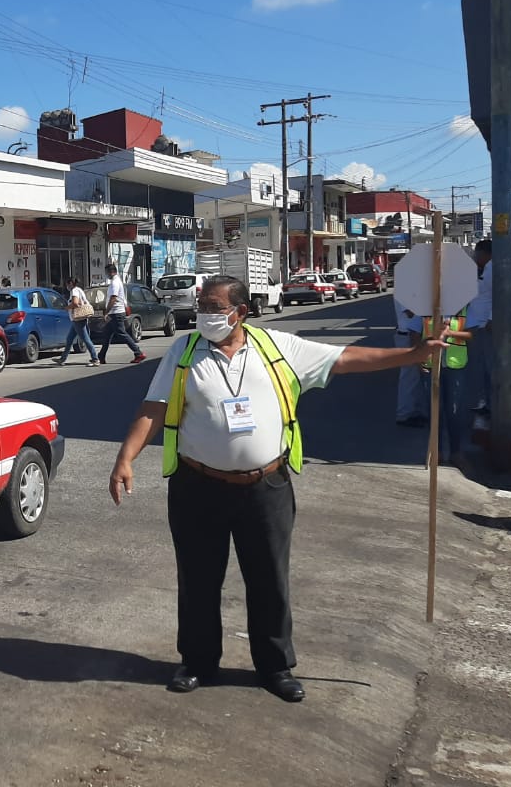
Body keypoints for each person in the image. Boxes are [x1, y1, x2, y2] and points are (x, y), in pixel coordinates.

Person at [107, 275, 449, 703]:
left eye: (214, 307)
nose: (205, 315)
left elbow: (348, 358)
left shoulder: (278, 348)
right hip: (197, 487)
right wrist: (126, 458)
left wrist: (412, 354)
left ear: (241, 312)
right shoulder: (184, 351)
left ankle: (274, 666)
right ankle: (197, 661)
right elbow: (154, 407)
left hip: (265, 487)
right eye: (202, 306)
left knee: (269, 578)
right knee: (198, 578)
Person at [97, 263, 147, 366]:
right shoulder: (116, 282)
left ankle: (138, 353)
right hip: (114, 313)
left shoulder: (115, 283)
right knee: (107, 334)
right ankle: (101, 356)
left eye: (107, 272)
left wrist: (107, 312)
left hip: (115, 313)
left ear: (112, 272)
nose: (106, 275)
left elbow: (113, 298)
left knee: (122, 334)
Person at [465, 239, 493, 415]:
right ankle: (489, 402)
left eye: (476, 253)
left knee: (490, 367)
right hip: (479, 325)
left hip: (486, 326)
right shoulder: (486, 269)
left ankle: (496, 404)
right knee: (483, 367)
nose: (474, 257)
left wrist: (492, 319)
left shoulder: (493, 270)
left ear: (484, 253)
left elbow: (504, 296)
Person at [394, 296, 428, 427]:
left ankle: (416, 411)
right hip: (407, 335)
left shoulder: (410, 288)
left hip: (414, 333)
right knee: (408, 376)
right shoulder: (403, 290)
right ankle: (404, 414)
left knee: (416, 377)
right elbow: (411, 313)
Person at [54, 276, 99, 366]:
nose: (66, 286)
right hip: (76, 320)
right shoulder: (78, 290)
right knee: (69, 339)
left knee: (85, 339)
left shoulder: (74, 291)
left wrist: (66, 308)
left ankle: (95, 359)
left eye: (67, 284)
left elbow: (75, 303)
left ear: (70, 283)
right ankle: (62, 359)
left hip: (78, 319)